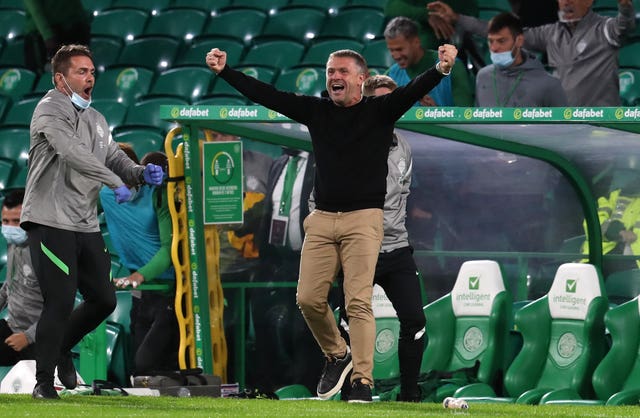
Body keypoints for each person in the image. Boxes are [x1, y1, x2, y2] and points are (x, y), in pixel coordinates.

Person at [206, 42, 458, 402]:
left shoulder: (381, 110)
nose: (334, 77)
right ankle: (338, 355)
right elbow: (267, 95)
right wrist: (226, 72)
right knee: (308, 299)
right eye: (330, 72)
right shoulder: (317, 111)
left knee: (358, 302)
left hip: (364, 220)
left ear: (361, 79)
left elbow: (415, 88)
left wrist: (442, 68)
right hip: (322, 219)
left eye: (342, 71)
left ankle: (363, 382)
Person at [21, 44, 164, 399]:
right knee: (60, 298)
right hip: (48, 219)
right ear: (60, 79)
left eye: (92, 72)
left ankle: (61, 349)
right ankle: (42, 384)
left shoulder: (97, 120)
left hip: (84, 224)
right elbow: (73, 153)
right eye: (81, 72)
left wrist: (141, 173)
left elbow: (115, 158)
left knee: (103, 299)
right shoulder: (49, 111)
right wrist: (115, 182)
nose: (90, 78)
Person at [338, 75, 426, 402]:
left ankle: (410, 395)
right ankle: (353, 389)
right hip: (361, 247)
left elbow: (403, 194)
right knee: (349, 320)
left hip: (397, 248)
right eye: (382, 102)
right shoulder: (347, 142)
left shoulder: (403, 146)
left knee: (415, 320)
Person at [427, 0, 636, 106]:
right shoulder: (551, 33)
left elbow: (624, 27)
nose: (566, 2)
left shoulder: (605, 29)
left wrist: (625, 7)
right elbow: (504, 34)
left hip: (601, 122)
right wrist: (457, 19)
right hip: (564, 122)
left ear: (589, 1)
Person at [100, 147, 180, 376]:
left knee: (150, 363)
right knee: (139, 371)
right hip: (141, 295)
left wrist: (139, 275)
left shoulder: (158, 195)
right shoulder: (105, 196)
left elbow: (169, 249)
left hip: (169, 291)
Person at [248, 147, 321, 393]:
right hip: (278, 262)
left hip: (311, 259)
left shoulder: (320, 160)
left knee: (305, 327)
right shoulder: (279, 163)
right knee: (273, 327)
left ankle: (306, 386)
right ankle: (278, 386)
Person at [475, 12, 568, 107]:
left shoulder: (548, 84)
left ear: (519, 41)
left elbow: (563, 120)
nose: (494, 48)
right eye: (490, 41)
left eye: (501, 41)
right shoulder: (482, 77)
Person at [384, 16, 474, 107]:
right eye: (391, 50)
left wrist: (435, 114)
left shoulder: (453, 66)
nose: (395, 56)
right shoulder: (390, 76)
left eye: (399, 49)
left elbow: (465, 115)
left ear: (416, 42)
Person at [0, 189, 42, 366]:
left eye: (16, 221)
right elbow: (8, 286)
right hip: (13, 328)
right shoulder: (14, 244)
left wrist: (28, 336)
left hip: (40, 338)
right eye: (5, 221)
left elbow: (61, 307)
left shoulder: (45, 253)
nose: (10, 227)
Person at [22, 0, 91, 74]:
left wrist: (83, 20)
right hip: (43, 36)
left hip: (72, 28)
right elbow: (34, 8)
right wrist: (47, 35)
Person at [384, 0, 478, 51]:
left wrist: (452, 17)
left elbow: (472, 14)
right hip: (416, 55)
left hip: (450, 51)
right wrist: (427, 14)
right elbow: (391, 7)